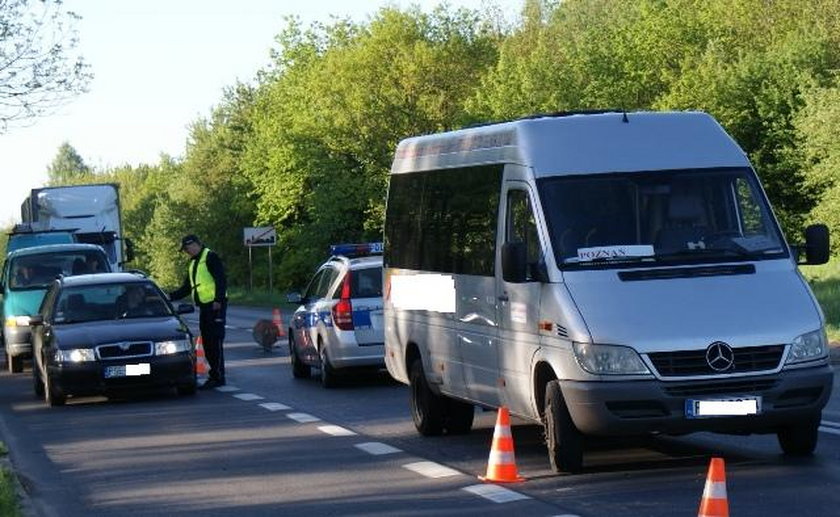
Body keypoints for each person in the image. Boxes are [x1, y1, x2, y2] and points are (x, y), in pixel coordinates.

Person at [169, 234, 228, 389]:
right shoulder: (194, 263)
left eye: (187, 248)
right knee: (208, 342)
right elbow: (187, 287)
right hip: (205, 307)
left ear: (194, 244)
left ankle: (218, 376)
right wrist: (168, 297)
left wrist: (218, 300)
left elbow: (221, 280)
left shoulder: (210, 257)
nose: (186, 252)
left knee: (215, 342)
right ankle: (215, 374)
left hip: (215, 306)